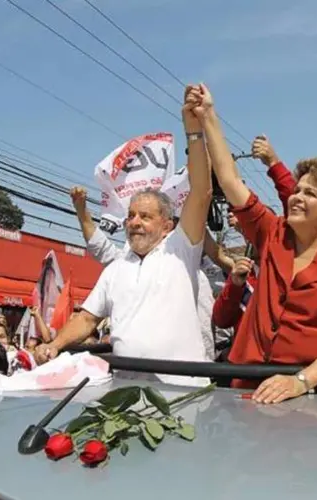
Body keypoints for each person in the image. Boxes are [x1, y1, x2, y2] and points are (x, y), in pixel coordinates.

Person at [199, 82, 317, 403]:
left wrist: (301, 381)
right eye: (297, 190)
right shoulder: (272, 232)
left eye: (310, 193)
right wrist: (208, 114)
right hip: (248, 388)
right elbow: (229, 179)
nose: (296, 197)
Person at [35, 85, 213, 387]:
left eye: (145, 216)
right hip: (125, 388)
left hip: (183, 389)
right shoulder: (116, 269)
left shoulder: (181, 248)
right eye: (130, 216)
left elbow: (202, 191)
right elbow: (88, 319)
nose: (134, 222)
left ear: (167, 225)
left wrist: (193, 129)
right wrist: (55, 344)